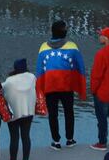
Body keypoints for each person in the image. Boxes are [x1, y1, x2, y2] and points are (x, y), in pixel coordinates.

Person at [36, 19, 86, 150]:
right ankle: (70, 139)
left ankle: (56, 141)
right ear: (64, 32)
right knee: (69, 112)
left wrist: (39, 88)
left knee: (53, 114)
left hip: (50, 87)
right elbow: (80, 66)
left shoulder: (43, 47)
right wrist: (80, 84)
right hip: (67, 86)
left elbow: (40, 69)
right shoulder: (72, 46)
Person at [2, 59, 36, 160]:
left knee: (14, 138)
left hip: (14, 114)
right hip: (28, 112)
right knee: (26, 136)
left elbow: (2, 90)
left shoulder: (10, 80)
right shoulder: (32, 77)